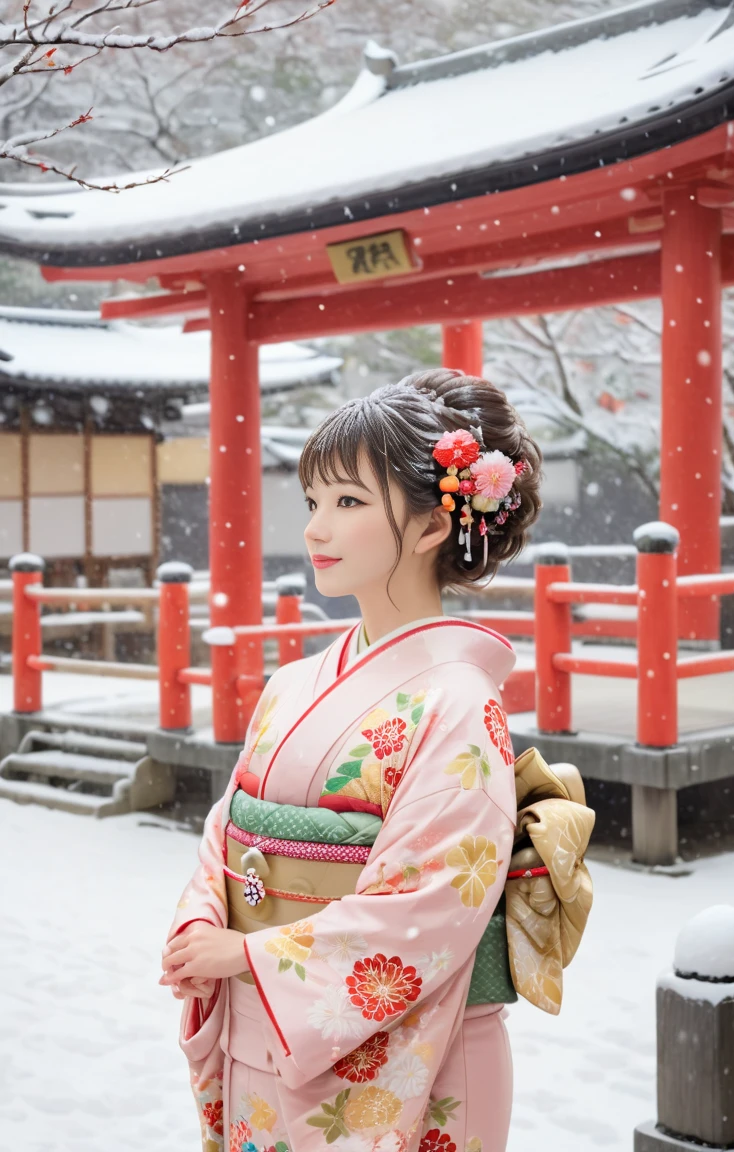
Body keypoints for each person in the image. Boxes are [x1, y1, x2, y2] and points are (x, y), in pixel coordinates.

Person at [160, 368, 545, 1152]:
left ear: (435, 525)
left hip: (412, 1060)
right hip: (262, 1026)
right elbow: (230, 830)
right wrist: (205, 916)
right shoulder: (293, 682)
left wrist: (251, 951)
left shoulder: (459, 703)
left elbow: (432, 903)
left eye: (347, 503)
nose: (314, 530)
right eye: (313, 503)